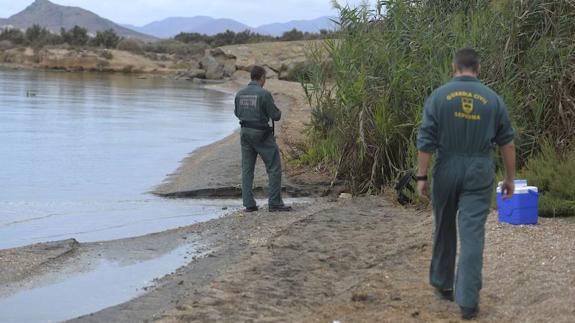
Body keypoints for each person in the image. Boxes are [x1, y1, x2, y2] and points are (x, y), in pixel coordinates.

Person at [416, 48, 516, 320]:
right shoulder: (492, 99)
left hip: (446, 167)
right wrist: (509, 179)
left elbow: (425, 141)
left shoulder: (438, 97)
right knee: (472, 233)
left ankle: (443, 283)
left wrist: (422, 177)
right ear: (478, 69)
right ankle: (468, 302)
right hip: (479, 169)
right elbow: (507, 142)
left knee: (444, 226)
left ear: (454, 67)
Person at [234, 66, 292, 213]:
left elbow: (237, 112)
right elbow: (276, 116)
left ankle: (249, 204)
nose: (265, 80)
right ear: (261, 78)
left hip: (245, 132)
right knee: (274, 167)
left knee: (247, 168)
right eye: (265, 78)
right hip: (261, 134)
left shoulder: (240, 93)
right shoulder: (264, 93)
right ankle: (275, 203)